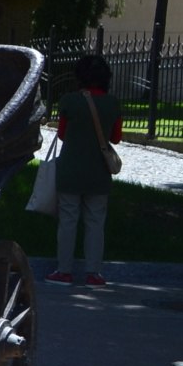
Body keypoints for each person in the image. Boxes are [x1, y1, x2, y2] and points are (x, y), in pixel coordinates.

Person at [46, 53, 122, 289]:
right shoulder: (113, 103)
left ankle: (64, 271)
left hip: (70, 168)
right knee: (95, 222)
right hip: (99, 171)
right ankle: (94, 273)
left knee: (68, 221)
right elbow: (116, 138)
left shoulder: (69, 101)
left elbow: (61, 134)